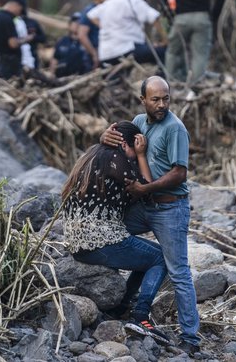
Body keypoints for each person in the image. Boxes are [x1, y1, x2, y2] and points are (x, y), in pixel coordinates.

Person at [100, 76, 201, 356]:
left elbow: (179, 174)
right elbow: (120, 147)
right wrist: (104, 136)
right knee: (110, 234)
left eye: (166, 98)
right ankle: (124, 302)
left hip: (170, 208)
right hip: (143, 206)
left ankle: (191, 337)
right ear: (142, 100)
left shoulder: (175, 128)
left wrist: (145, 187)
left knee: (178, 271)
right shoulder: (139, 122)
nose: (161, 104)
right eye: (155, 99)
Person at [61, 120, 171, 345]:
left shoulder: (92, 156)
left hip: (79, 243)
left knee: (149, 256)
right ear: (127, 145)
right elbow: (147, 190)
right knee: (161, 257)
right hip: (99, 242)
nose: (134, 157)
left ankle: (121, 306)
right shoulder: (116, 158)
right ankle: (141, 317)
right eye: (134, 149)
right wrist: (140, 156)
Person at [158, 0, 226, 83]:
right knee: (200, 55)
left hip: (181, 18)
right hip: (202, 18)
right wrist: (214, 15)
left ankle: (171, 83)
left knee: (173, 51)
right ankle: (196, 87)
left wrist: (169, 13)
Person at [87, 0, 168, 67]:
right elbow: (154, 17)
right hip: (127, 50)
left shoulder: (108, 3)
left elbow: (91, 15)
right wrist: (165, 40)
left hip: (106, 54)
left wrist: (107, 27)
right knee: (162, 52)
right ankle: (161, 79)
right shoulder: (133, 0)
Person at [0, 0, 34, 79]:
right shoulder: (7, 19)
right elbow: (12, 43)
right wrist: (27, 39)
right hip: (7, 65)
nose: (19, 14)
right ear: (16, 6)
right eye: (20, 11)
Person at [78, 0, 111, 70]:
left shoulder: (108, 9)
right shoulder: (89, 11)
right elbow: (82, 35)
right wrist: (93, 53)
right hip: (94, 52)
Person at [50, 13, 88, 77]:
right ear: (69, 25)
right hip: (61, 77)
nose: (77, 24)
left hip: (80, 77)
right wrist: (52, 73)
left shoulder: (86, 42)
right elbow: (55, 58)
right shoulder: (62, 41)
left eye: (79, 22)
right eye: (74, 22)